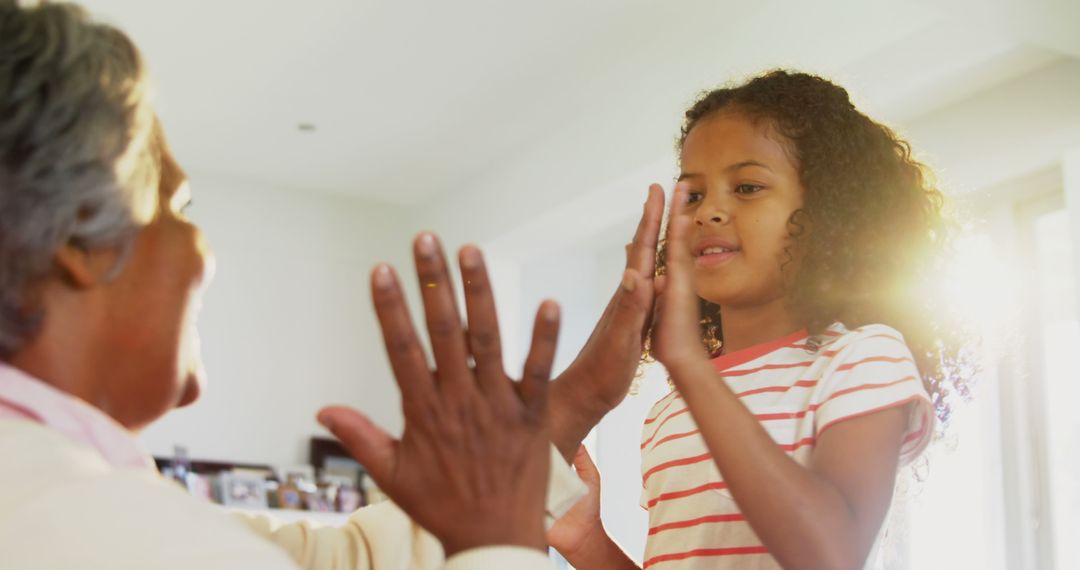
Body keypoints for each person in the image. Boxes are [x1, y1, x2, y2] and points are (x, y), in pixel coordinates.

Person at [0, 2, 669, 568]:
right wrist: (498, 543)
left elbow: (343, 559)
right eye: (179, 208)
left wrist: (575, 399)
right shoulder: (104, 532)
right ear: (79, 239)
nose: (204, 258)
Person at [547, 70, 974, 569]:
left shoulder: (862, 359)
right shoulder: (668, 413)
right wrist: (587, 543)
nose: (710, 212)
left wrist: (690, 368)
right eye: (693, 195)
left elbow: (831, 556)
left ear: (825, 216)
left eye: (747, 187)